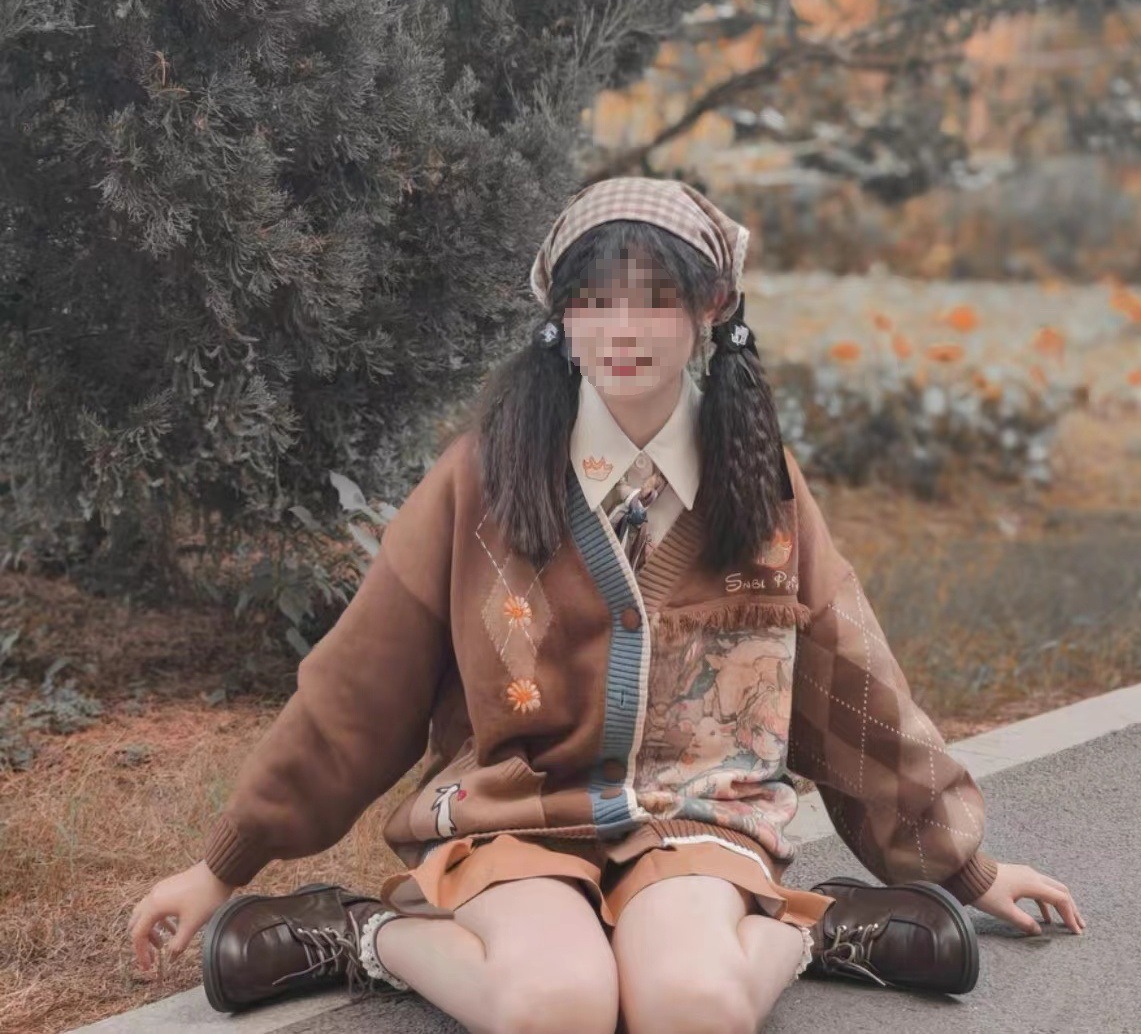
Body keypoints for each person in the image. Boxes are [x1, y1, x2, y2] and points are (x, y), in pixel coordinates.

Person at [128, 178, 1085, 1034]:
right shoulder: (484, 479)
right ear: (561, 316)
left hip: (702, 818)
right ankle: (365, 935)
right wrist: (225, 863)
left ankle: (810, 925)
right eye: (595, 300)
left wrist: (966, 869)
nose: (623, 329)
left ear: (711, 308)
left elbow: (851, 681)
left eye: (657, 298)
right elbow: (359, 686)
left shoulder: (760, 485)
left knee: (691, 1008)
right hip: (514, 816)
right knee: (559, 1009)